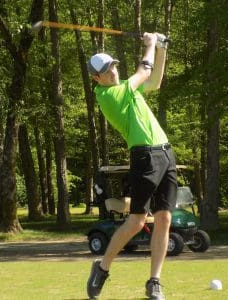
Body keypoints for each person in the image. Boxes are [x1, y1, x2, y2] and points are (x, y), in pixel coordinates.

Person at [86, 32, 177, 300]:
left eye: (113, 66)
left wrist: (161, 48)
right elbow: (144, 71)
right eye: (105, 70)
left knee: (165, 218)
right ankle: (102, 268)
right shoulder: (110, 95)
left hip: (165, 152)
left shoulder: (128, 86)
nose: (112, 72)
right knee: (137, 221)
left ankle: (154, 282)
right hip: (144, 157)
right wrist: (149, 44)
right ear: (96, 78)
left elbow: (155, 80)